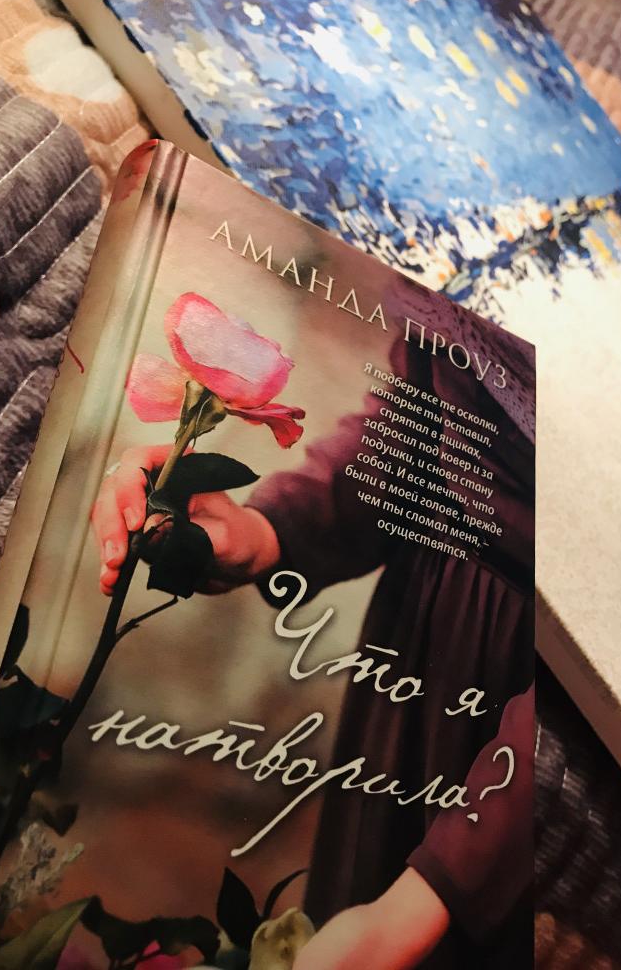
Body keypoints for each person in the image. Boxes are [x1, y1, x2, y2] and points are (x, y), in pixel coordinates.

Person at [92, 338, 535, 969]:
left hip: (550, 738)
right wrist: (266, 531)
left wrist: (418, 906)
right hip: (417, 658)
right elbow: (423, 426)